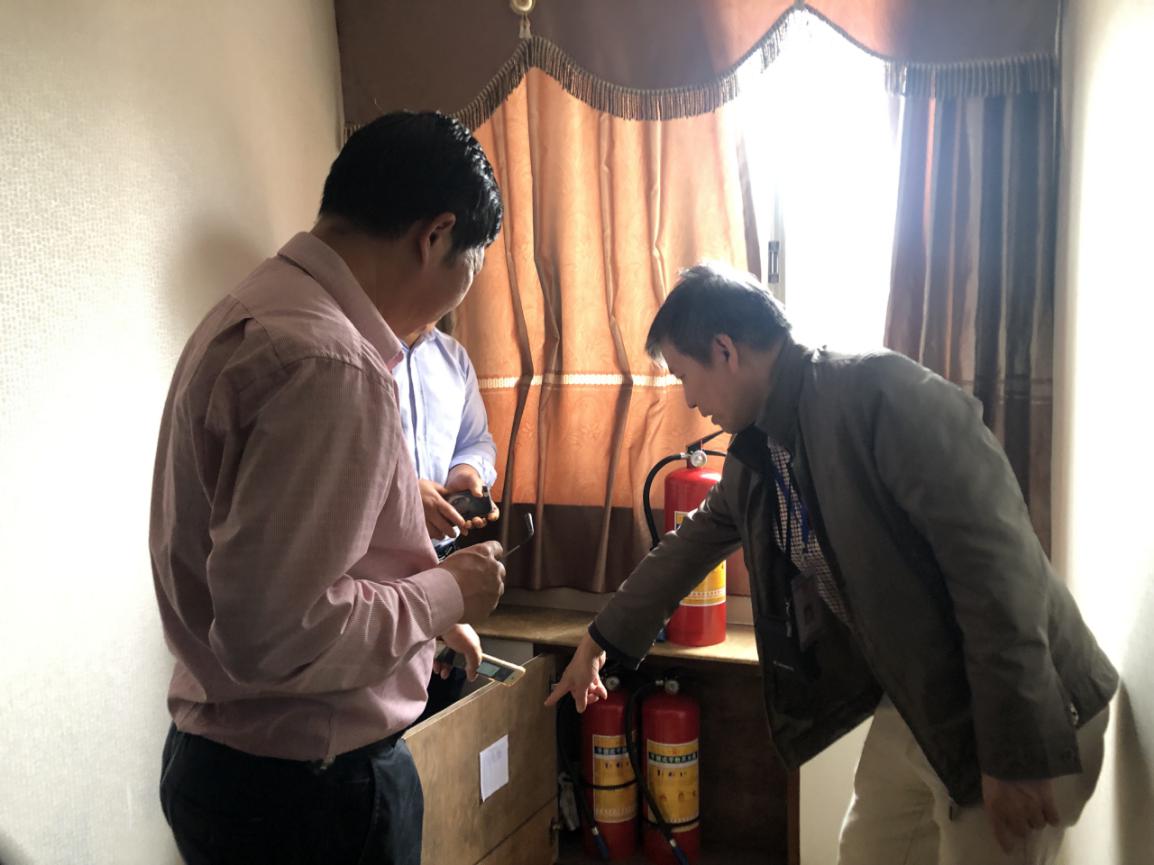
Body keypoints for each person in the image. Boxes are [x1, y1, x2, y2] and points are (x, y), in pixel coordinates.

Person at [547, 262, 1119, 865]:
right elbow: (690, 545)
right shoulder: (761, 449)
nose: (690, 399)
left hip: (1022, 705)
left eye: (686, 376)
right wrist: (600, 640)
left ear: (725, 351)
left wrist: (1016, 750)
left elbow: (998, 570)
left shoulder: (881, 395)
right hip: (920, 699)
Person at [150, 111, 506, 865]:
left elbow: (277, 571)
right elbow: (276, 635)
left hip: (231, 764)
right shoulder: (332, 364)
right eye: (471, 263)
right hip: (307, 794)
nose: (460, 291)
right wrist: (446, 594)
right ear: (436, 235)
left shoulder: (257, 309)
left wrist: (420, 608)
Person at [394, 316, 501, 719]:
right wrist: (405, 494)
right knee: (388, 716)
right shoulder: (354, 350)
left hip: (444, 560)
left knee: (438, 709)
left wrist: (467, 471)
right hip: (379, 570)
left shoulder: (452, 357)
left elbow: (476, 440)